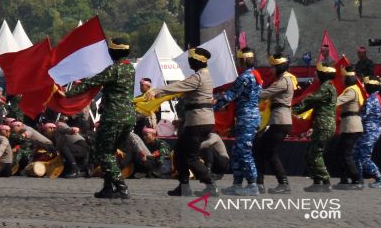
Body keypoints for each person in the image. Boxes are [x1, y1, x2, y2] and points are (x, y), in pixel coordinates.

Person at [142, 46, 217, 197]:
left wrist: (156, 90)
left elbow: (177, 86)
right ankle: (184, 186)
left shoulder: (198, 78)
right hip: (197, 121)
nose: (188, 61)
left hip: (198, 122)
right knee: (179, 153)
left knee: (190, 156)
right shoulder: (205, 76)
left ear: (195, 61)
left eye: (190, 59)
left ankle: (210, 185)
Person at [66, 36, 135, 199]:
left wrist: (67, 93)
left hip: (113, 117)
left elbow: (92, 83)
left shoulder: (114, 69)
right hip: (127, 117)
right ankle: (108, 187)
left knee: (103, 153)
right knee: (110, 152)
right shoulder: (131, 68)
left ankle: (121, 187)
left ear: (112, 52)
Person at [214, 47, 262, 196]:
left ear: (242, 60)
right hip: (248, 116)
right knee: (236, 151)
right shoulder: (256, 75)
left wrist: (212, 106)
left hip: (247, 117)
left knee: (244, 151)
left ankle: (253, 184)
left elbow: (230, 95)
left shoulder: (245, 77)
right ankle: (237, 183)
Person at [257, 53, 297, 193]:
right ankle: (260, 183)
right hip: (279, 120)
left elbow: (264, 94)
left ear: (279, 67)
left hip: (280, 120)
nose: (271, 70)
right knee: (263, 149)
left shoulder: (284, 80)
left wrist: (249, 90)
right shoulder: (283, 79)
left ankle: (283, 184)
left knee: (269, 152)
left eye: (273, 67)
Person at [299, 62, 339, 192]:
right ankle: (317, 181)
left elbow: (312, 99)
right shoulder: (325, 87)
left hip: (324, 125)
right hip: (322, 125)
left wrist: (294, 108)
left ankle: (325, 182)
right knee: (309, 153)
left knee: (315, 153)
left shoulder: (326, 88)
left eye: (318, 72)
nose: (315, 74)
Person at [334, 69, 365, 189]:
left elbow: (337, 102)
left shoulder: (351, 91)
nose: (342, 80)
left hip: (351, 126)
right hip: (349, 125)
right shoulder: (353, 89)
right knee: (339, 152)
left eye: (344, 78)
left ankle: (356, 179)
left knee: (345, 154)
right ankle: (344, 179)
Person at [356, 76, 381, 189]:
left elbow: (363, 115)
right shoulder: (376, 97)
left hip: (369, 132)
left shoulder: (371, 99)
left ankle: (380, 179)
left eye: (366, 85)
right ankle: (358, 180)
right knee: (356, 155)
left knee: (364, 157)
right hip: (369, 131)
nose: (365, 87)